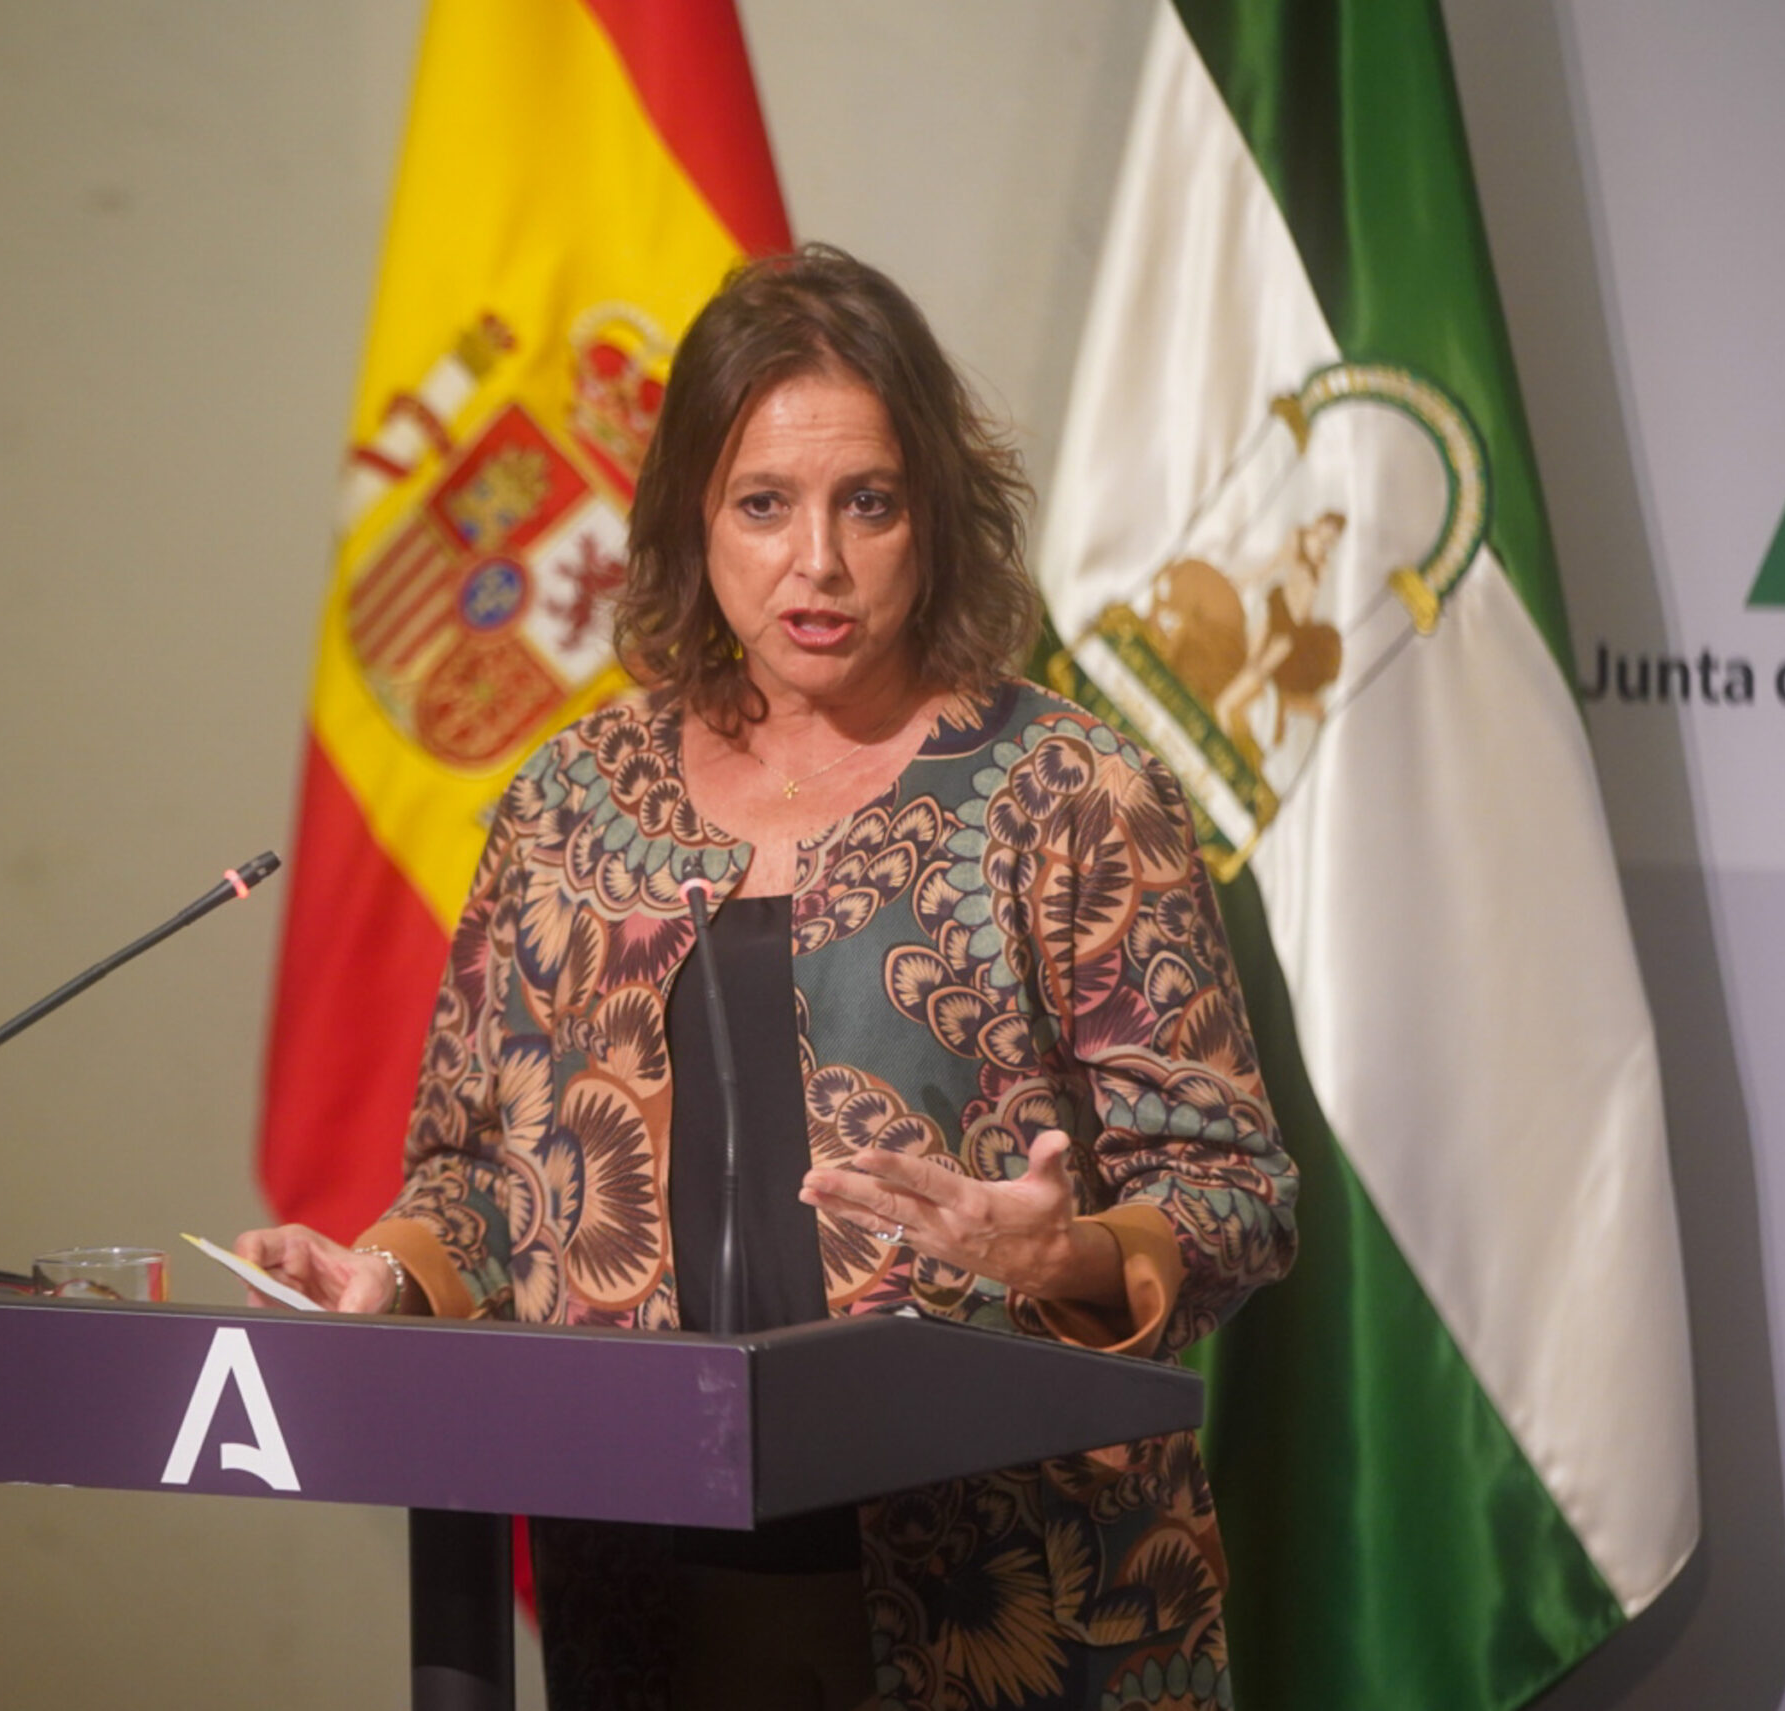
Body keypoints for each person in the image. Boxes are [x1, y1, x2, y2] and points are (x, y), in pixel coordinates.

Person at [235, 245, 1299, 1711]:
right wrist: (389, 1274)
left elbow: (1234, 1187)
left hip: (1016, 1591)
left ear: (936, 515)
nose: (819, 563)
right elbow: (479, 1176)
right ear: (691, 514)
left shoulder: (1070, 790)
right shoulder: (570, 806)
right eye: (763, 504)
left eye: (869, 502)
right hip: (649, 1588)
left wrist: (1066, 1256)